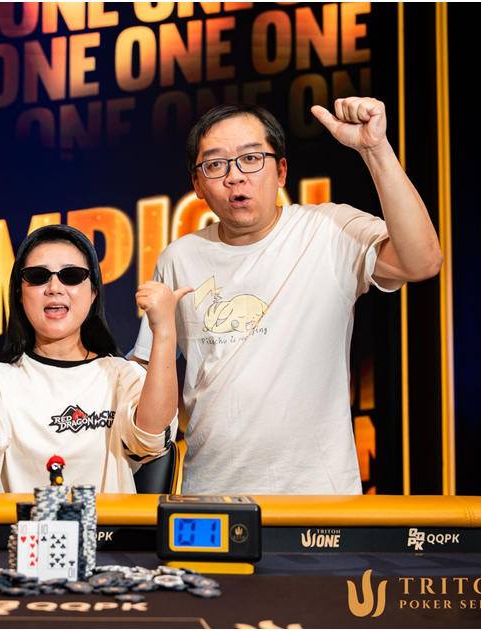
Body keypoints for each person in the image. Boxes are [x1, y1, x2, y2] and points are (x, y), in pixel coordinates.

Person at [130, 97, 443, 495]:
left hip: (319, 496)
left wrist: (375, 150)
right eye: (216, 164)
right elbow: (144, 374)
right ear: (197, 185)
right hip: (210, 494)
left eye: (250, 159)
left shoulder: (328, 230)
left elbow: (423, 262)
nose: (235, 177)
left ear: (280, 171)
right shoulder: (179, 257)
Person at [0, 224, 189, 492]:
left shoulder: (122, 375)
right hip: (14, 529)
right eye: (38, 276)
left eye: (72, 275)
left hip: (104, 529)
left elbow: (151, 438)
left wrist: (164, 331)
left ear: (93, 293)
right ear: (19, 293)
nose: (54, 287)